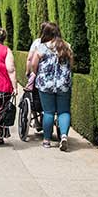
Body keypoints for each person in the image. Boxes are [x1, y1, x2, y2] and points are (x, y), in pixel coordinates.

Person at [30, 22, 73, 151]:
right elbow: (71, 64)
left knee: (48, 112)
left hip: (46, 84)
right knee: (63, 111)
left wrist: (35, 73)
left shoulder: (42, 48)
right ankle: (64, 136)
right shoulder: (67, 46)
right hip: (63, 84)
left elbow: (33, 65)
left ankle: (47, 140)